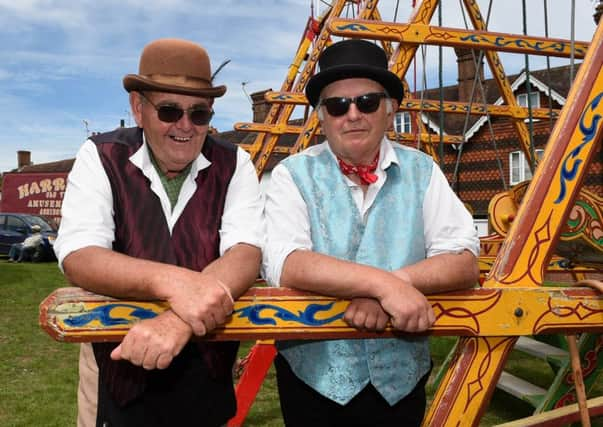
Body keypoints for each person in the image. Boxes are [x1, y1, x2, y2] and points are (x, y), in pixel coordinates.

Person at [262, 39, 480, 427]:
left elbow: (463, 258)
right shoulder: (290, 174)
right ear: (321, 116)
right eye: (337, 105)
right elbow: (287, 262)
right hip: (313, 384)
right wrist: (385, 287)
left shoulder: (423, 170)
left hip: (401, 384)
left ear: (390, 108)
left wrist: (396, 285)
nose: (352, 114)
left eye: (367, 102)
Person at [53, 38, 264, 427]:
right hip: (116, 373)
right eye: (169, 110)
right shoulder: (100, 156)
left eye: (199, 113)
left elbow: (246, 252)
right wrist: (175, 283)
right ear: (138, 109)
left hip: (206, 381)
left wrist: (177, 320)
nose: (185, 125)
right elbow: (80, 254)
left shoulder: (236, 163)